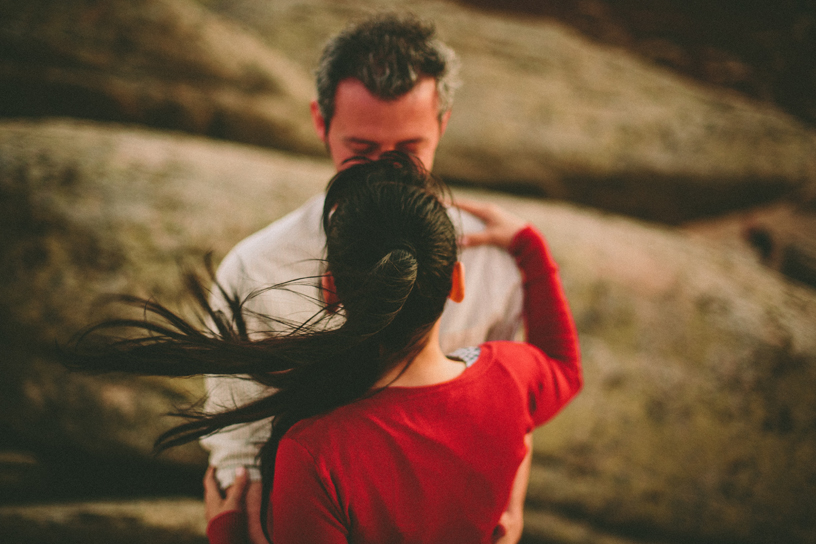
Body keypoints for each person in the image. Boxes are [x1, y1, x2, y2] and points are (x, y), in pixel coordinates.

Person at [66, 154, 581, 543]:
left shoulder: (316, 456)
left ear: (330, 289)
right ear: (457, 283)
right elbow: (565, 367)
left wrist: (226, 532)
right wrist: (528, 246)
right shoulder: (511, 376)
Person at [202, 13, 533, 543]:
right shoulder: (255, 269)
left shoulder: (494, 261)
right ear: (320, 122)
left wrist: (509, 513)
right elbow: (238, 440)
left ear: (443, 125)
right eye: (361, 152)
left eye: (408, 151)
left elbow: (514, 410)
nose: (386, 170)